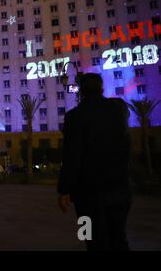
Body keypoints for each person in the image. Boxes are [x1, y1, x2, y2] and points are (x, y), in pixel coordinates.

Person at [57, 73, 132, 251]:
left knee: (90, 239)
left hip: (87, 195)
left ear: (81, 91)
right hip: (120, 190)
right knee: (119, 238)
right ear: (102, 88)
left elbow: (71, 156)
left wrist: (65, 190)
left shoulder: (74, 116)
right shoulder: (118, 110)